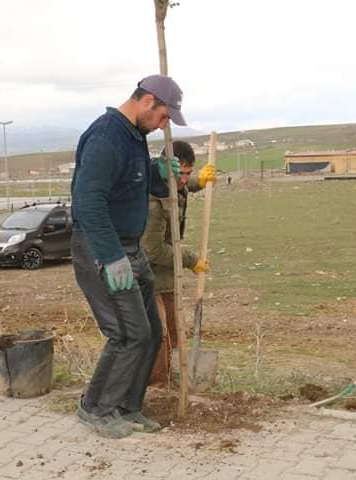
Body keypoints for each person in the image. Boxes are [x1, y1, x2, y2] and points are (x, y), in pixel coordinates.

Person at [69, 74, 186, 439]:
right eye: (165, 117)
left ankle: (128, 406)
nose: (164, 125)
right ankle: (95, 407)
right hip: (102, 248)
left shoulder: (135, 137)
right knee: (126, 334)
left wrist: (157, 174)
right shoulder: (106, 136)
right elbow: (88, 203)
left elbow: (129, 185)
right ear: (148, 101)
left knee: (151, 333)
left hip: (131, 247)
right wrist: (110, 256)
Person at [143, 140, 217, 387]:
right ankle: (157, 389)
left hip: (167, 275)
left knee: (176, 333)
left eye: (189, 173)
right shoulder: (152, 200)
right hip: (146, 277)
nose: (184, 179)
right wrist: (190, 260)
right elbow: (152, 251)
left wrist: (200, 182)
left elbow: (182, 188)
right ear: (167, 167)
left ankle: (176, 382)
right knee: (158, 335)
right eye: (181, 174)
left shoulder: (175, 183)